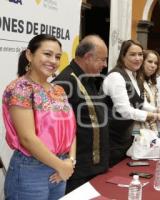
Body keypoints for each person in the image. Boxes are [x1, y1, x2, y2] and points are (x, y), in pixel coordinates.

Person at [2, 34, 76, 199]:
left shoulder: (58, 90)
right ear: (29, 55)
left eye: (57, 57)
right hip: (31, 171)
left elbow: (71, 131)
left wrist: (70, 161)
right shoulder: (20, 88)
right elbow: (27, 138)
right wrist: (62, 166)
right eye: (47, 54)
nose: (53, 60)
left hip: (60, 167)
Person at [53, 35, 109, 193]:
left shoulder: (89, 78)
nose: (105, 65)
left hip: (94, 167)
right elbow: (57, 131)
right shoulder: (63, 83)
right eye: (102, 60)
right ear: (88, 57)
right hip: (77, 172)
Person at [102, 40, 160, 166]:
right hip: (110, 138)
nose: (138, 58)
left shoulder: (132, 76)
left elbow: (140, 102)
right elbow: (126, 111)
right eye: (132, 54)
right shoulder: (116, 77)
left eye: (140, 55)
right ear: (123, 56)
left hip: (124, 137)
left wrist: (158, 109)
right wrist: (155, 116)